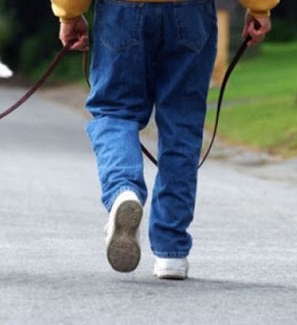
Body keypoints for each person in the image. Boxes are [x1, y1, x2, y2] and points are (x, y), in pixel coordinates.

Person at [51, 0, 280, 279]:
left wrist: (70, 13)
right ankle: (171, 252)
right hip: (190, 12)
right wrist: (259, 7)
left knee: (115, 112)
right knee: (182, 124)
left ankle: (124, 191)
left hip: (122, 11)